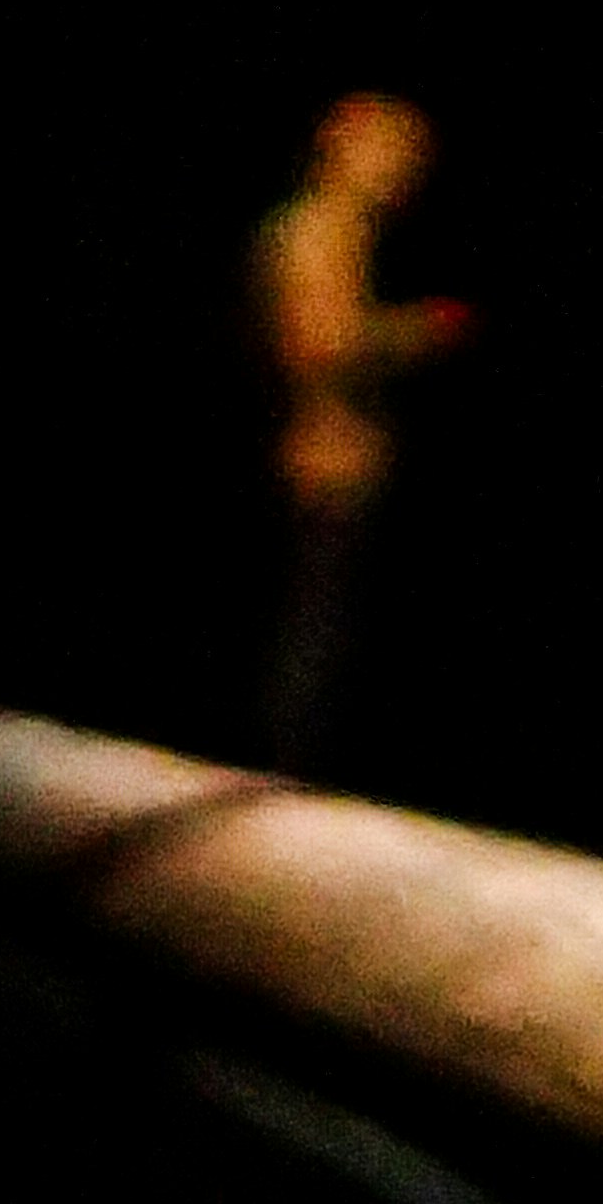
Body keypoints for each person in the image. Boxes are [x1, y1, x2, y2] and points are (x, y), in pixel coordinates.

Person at [252, 92, 467, 769]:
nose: (404, 170)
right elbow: (322, 347)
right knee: (314, 638)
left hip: (343, 464)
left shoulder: (344, 235)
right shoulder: (315, 232)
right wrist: (421, 332)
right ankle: (287, 775)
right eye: (391, 150)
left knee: (332, 636)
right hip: (325, 465)